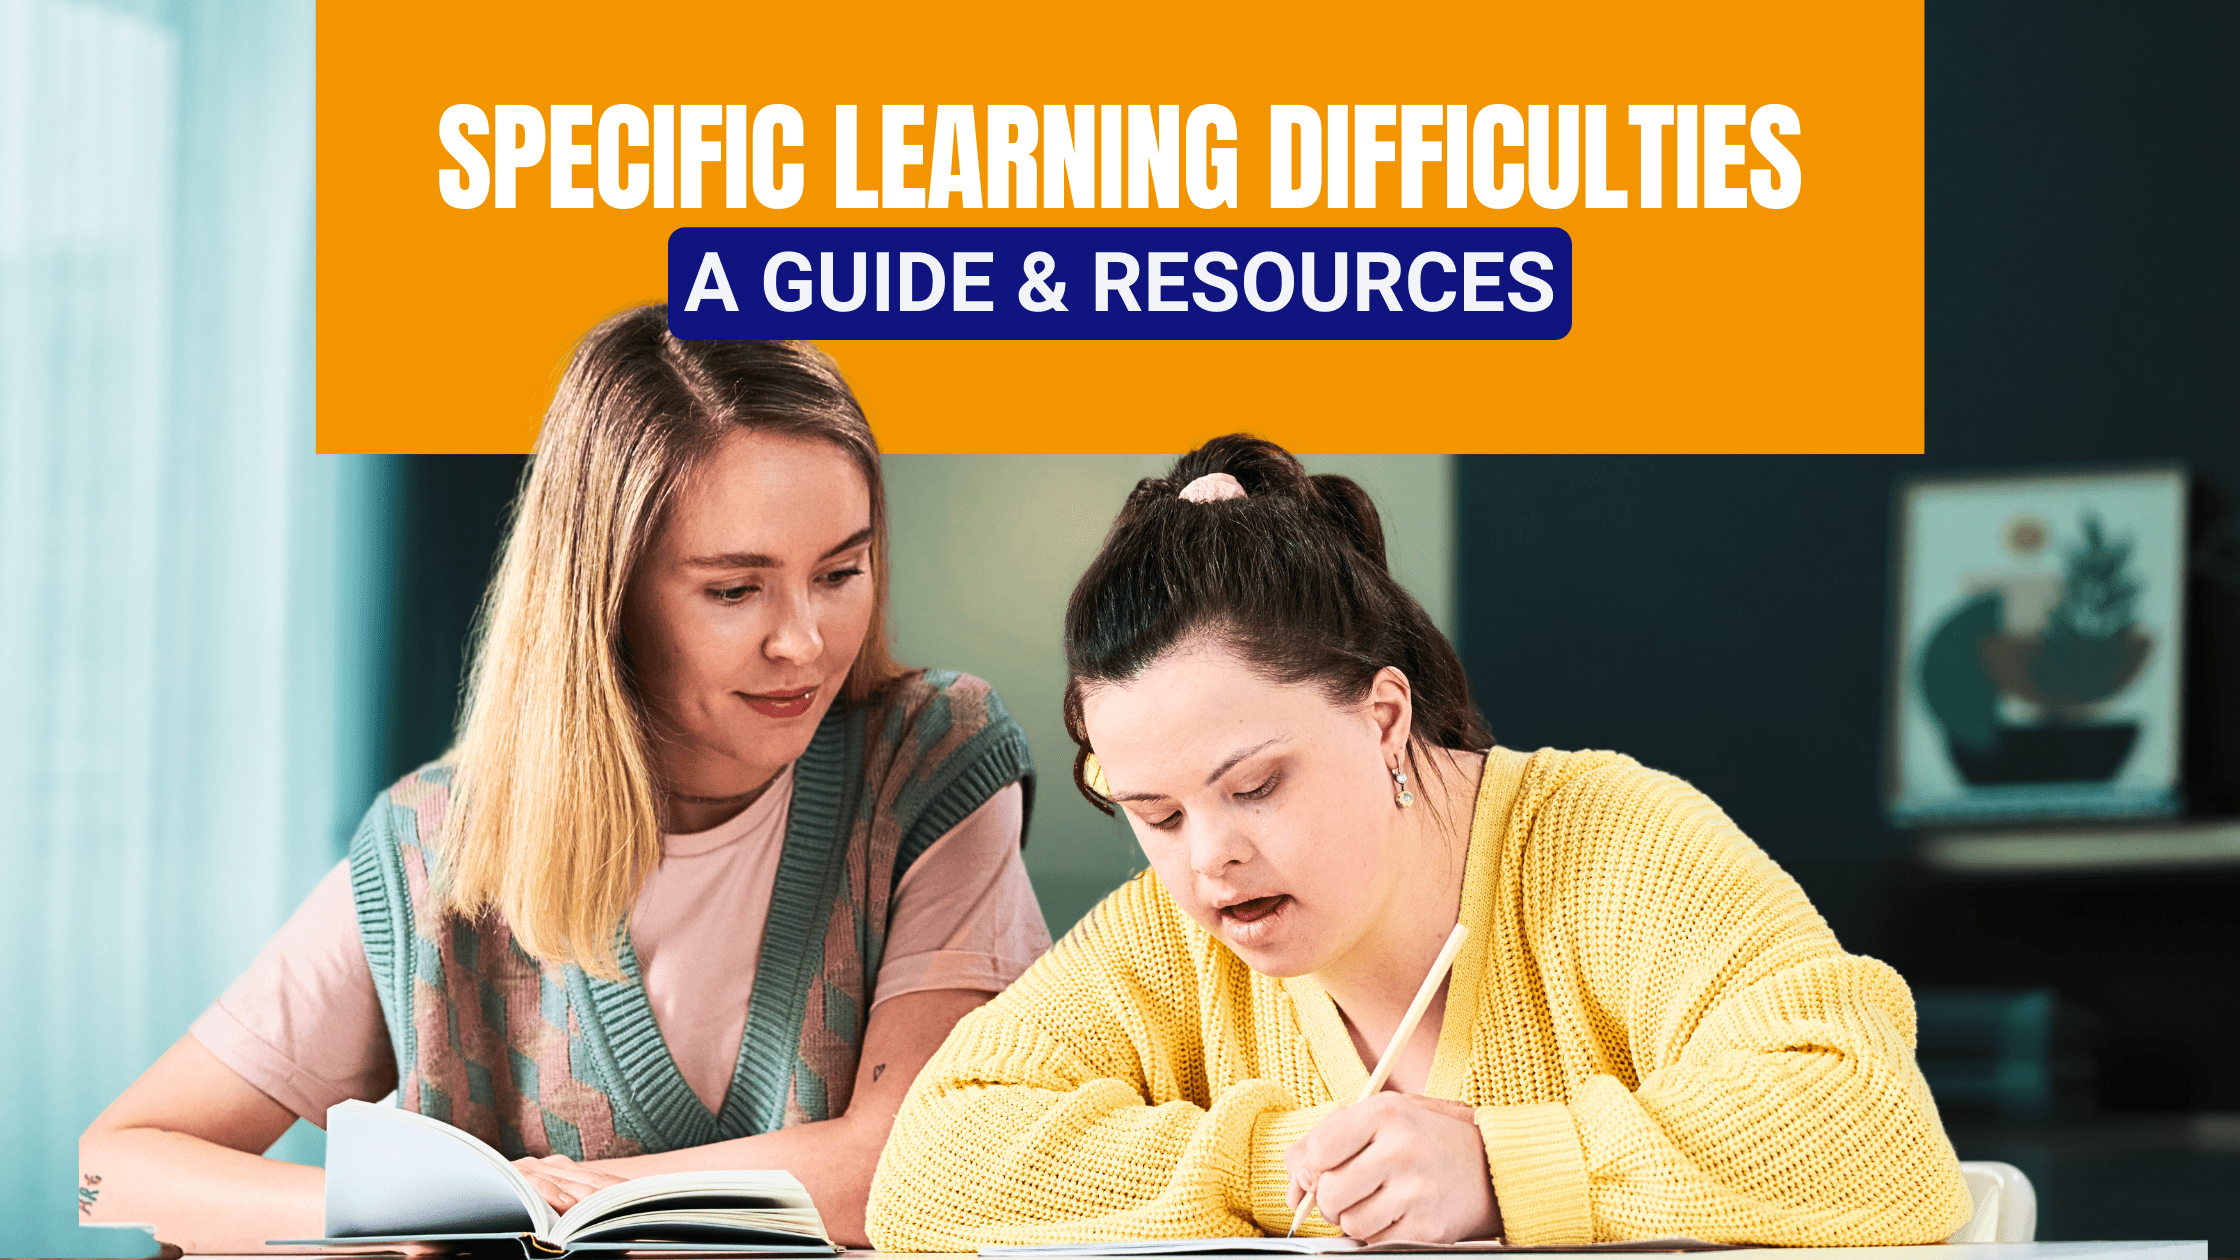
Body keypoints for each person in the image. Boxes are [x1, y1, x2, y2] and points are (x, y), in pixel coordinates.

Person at [79, 310, 1048, 1253]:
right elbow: (112, 1168)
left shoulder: (931, 760)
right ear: (605, 599)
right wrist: (384, 1220)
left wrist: (559, 1201)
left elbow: (907, 1162)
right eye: (733, 590)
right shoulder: (432, 847)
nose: (803, 640)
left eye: (839, 572)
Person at [865, 435, 1973, 1250]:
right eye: (1151, 815)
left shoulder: (1607, 845)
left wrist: (1501, 1168)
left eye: (1252, 785)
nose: (1207, 861)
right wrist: (1278, 1164)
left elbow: (1870, 1124)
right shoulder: (1173, 933)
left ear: (1383, 716)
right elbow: (930, 1169)